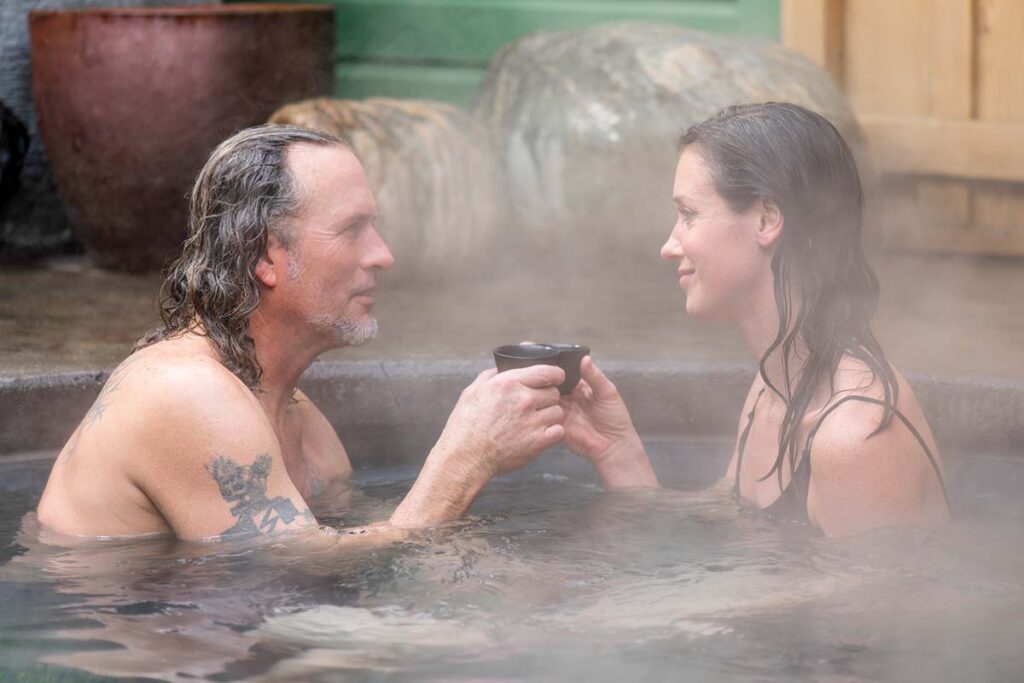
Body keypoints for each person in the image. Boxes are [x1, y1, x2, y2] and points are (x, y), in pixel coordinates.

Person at [36, 125, 566, 541]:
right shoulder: (184, 392)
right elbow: (290, 573)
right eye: (352, 229)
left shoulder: (297, 416)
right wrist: (466, 458)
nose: (383, 255)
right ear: (265, 254)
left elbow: (355, 542)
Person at [561, 102, 949, 537]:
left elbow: (872, 587)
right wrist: (616, 448)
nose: (669, 246)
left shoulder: (854, 438)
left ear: (766, 219)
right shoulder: (774, 385)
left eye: (688, 214)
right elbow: (723, 523)